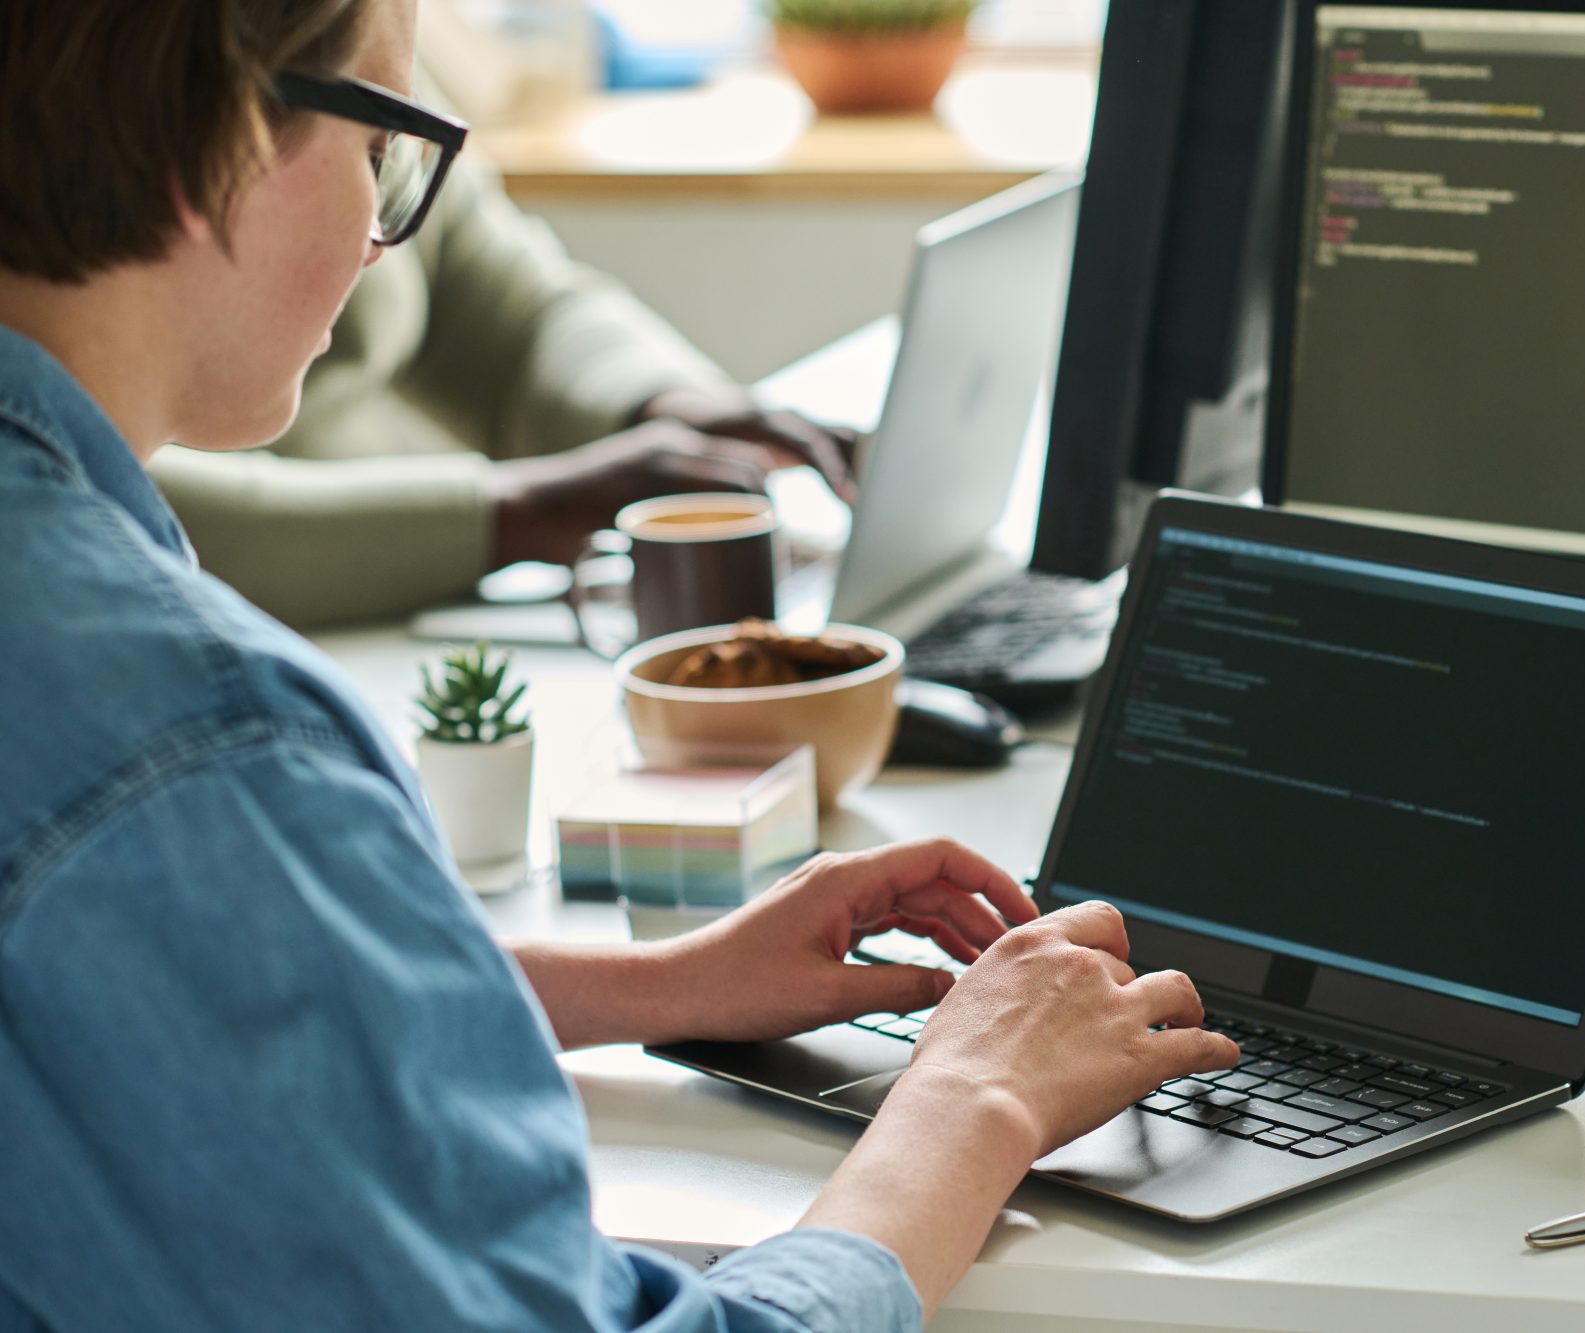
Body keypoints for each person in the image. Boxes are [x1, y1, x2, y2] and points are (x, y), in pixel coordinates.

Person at [0, 2, 1237, 1330]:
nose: (380, 233)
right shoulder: (196, 754)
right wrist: (972, 1102)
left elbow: (145, 995)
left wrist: (662, 987)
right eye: (383, 147)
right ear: (215, 140)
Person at [146, 109, 860, 629]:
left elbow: (494, 285)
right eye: (369, 153)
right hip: (278, 626)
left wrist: (657, 405)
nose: (372, 250)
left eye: (382, 154)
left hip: (421, 622)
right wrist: (517, 511)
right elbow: (114, 486)